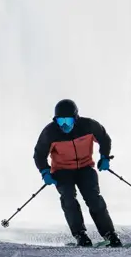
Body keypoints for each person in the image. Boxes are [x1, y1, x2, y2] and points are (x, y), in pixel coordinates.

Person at [33, 99, 123, 247]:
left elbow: (104, 138)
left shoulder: (88, 126)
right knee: (68, 199)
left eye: (67, 120)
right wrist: (45, 172)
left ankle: (110, 234)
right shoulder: (50, 132)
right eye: (60, 121)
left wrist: (105, 157)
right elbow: (39, 154)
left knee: (94, 198)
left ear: (75, 118)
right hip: (62, 171)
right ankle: (80, 235)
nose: (64, 125)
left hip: (85, 168)